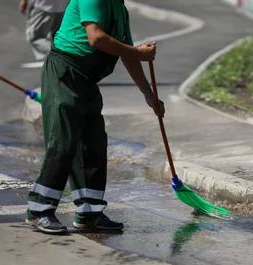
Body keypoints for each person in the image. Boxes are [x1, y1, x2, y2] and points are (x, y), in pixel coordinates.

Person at [25, 0, 164, 235]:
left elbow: (126, 54)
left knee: (94, 144)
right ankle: (39, 211)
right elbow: (96, 38)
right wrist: (138, 53)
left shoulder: (119, 9)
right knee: (63, 141)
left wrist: (148, 94)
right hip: (65, 72)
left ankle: (90, 213)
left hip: (86, 80)